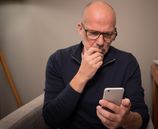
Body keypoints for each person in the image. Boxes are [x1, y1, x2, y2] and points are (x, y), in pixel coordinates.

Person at [42, 1, 149, 129]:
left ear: (114, 33)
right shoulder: (58, 60)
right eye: (93, 33)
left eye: (108, 34)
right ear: (80, 29)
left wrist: (127, 119)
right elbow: (51, 119)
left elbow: (143, 117)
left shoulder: (128, 62)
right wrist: (82, 76)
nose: (100, 42)